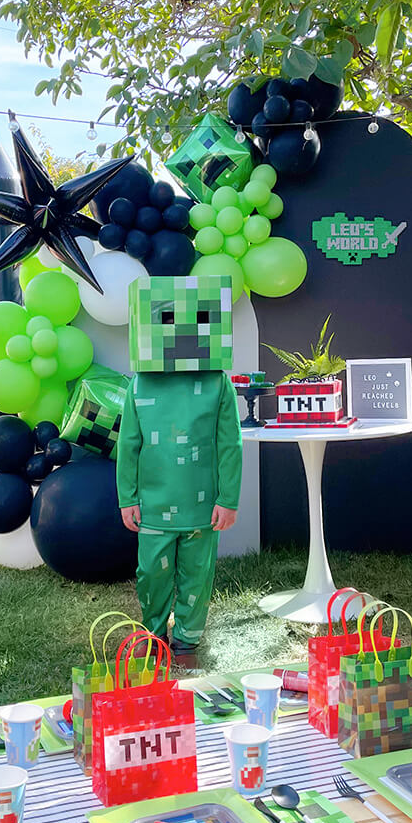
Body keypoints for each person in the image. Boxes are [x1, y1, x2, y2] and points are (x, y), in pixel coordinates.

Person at [117, 275, 243, 668]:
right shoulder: (140, 384)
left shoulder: (218, 383)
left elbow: (229, 445)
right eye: (168, 320)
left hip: (201, 506)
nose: (182, 330)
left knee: (197, 573)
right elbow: (128, 445)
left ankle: (187, 641)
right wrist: (128, 497)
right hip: (154, 503)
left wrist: (228, 499)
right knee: (151, 572)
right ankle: (154, 634)